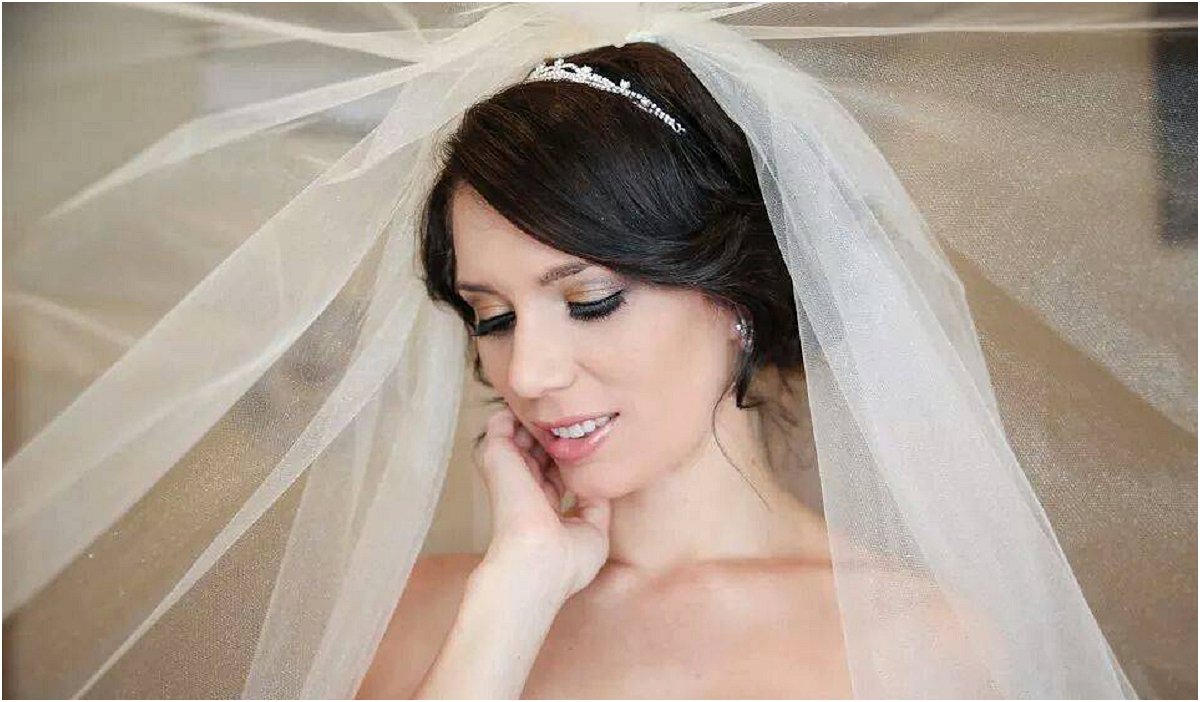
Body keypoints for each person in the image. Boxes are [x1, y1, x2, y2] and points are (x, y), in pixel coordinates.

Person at [4, 4, 1188, 699]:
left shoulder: (923, 648)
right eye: (492, 314)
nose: (526, 374)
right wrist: (509, 602)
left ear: (734, 298)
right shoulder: (413, 617)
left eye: (590, 300)